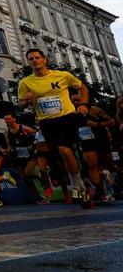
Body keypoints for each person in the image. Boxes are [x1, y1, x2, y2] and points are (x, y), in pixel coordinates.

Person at [17, 48, 92, 208]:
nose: (34, 60)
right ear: (28, 62)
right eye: (31, 59)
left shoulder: (62, 75)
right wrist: (27, 101)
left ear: (45, 59)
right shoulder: (26, 83)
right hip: (46, 122)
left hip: (66, 117)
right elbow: (21, 104)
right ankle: (79, 188)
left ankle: (77, 185)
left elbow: (82, 87)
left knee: (65, 150)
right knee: (60, 155)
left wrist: (84, 104)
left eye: (37, 57)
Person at [4, 112, 47, 203]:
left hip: (30, 154)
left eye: (8, 118)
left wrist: (33, 145)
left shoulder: (23, 128)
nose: (6, 120)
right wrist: (6, 151)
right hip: (19, 156)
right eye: (5, 119)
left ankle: (38, 176)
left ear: (14, 119)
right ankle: (37, 195)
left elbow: (36, 135)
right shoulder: (7, 132)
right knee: (25, 177)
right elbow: (9, 146)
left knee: (28, 173)